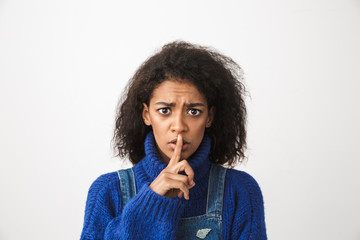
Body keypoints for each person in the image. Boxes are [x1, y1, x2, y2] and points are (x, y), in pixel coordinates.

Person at [80, 41, 267, 240]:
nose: (179, 126)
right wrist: (152, 200)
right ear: (146, 114)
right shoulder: (109, 191)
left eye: (194, 111)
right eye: (165, 111)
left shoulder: (240, 191)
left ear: (209, 117)